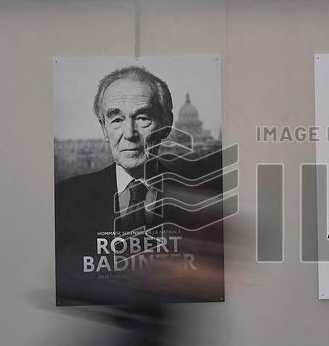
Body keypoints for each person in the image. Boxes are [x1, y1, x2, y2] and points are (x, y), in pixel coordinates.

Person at [54, 65, 225, 306]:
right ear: (104, 128)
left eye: (143, 118)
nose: (130, 133)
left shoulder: (200, 200)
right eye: (116, 119)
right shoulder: (68, 198)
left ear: (166, 124)